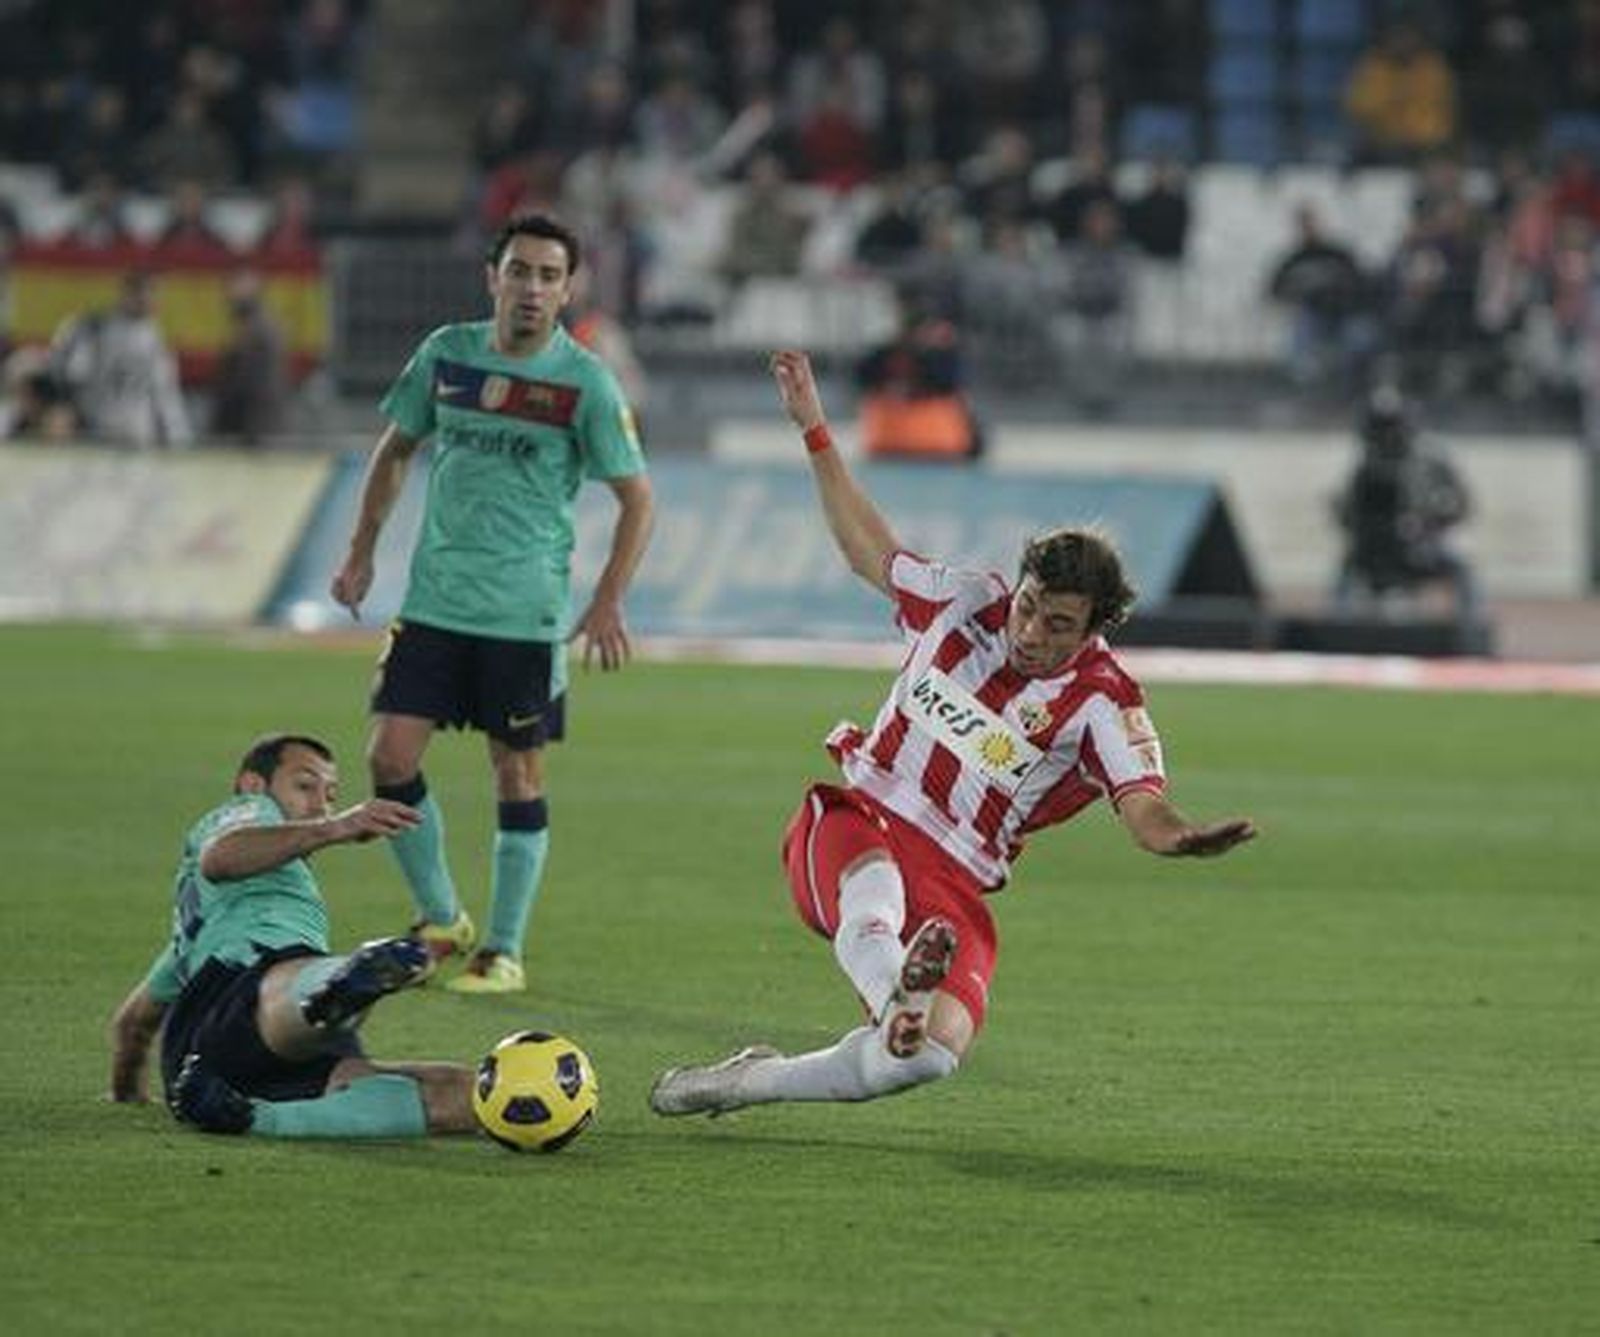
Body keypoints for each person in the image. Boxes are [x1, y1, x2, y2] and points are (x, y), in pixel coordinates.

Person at [649, 352, 1257, 1118]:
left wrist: (1182, 838)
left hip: (952, 880)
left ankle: (756, 1079)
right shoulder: (966, 601)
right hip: (857, 821)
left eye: (1057, 624)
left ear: (1094, 630)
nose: (1029, 631)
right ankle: (894, 992)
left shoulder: (1104, 700)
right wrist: (815, 430)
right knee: (873, 890)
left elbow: (1144, 807)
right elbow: (868, 549)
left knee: (927, 1056)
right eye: (1029, 606)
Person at [329, 213, 655, 995]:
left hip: (524, 615)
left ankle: (503, 949)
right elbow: (395, 449)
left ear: (568, 290)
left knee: (517, 772)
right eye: (520, 271)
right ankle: (443, 917)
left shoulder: (585, 383)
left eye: (549, 275)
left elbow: (638, 499)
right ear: (492, 278)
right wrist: (362, 548)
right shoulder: (447, 354)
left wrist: (608, 599)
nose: (533, 288)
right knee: (388, 757)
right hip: (435, 600)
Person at [107, 733, 478, 1139]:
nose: (320, 805)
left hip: (215, 1071)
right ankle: (337, 985)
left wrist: (127, 1093)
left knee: (467, 1094)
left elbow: (133, 1026)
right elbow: (220, 857)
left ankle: (248, 1115)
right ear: (253, 784)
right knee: (291, 977)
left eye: (331, 796)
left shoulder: (191, 943)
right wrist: (338, 826)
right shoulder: (249, 810)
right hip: (247, 992)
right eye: (304, 786)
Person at [1332, 387, 1480, 623]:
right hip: (1373, 551)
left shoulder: (1432, 460)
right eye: (1380, 427)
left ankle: (1470, 625)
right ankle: (1340, 625)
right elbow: (1348, 512)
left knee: (1460, 568)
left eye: (1391, 426)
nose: (1387, 434)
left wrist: (1430, 522)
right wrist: (1356, 522)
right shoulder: (1366, 468)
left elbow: (1462, 504)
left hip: (1424, 547)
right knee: (1347, 570)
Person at [51, 269, 194, 448]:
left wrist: (177, 436)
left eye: (153, 294)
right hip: (94, 427)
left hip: (139, 433)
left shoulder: (154, 336)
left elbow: (164, 391)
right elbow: (70, 374)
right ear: (126, 293)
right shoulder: (95, 327)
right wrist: (67, 410)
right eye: (141, 293)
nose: (147, 300)